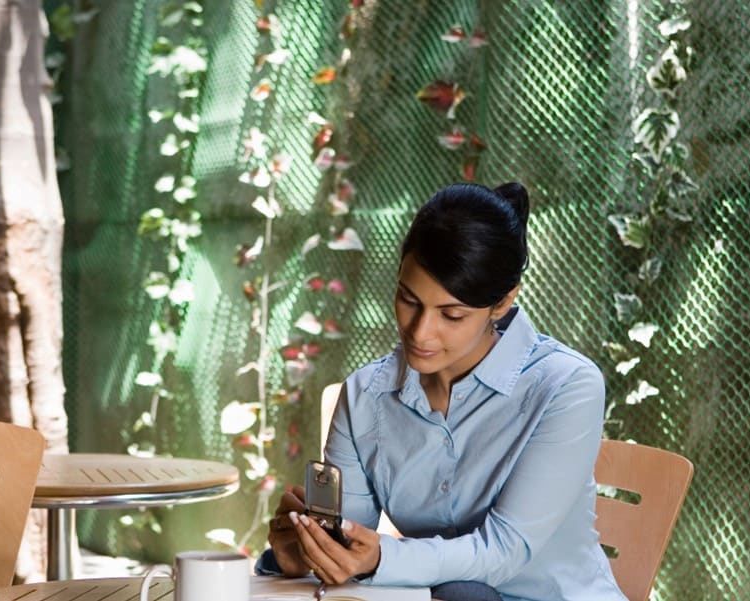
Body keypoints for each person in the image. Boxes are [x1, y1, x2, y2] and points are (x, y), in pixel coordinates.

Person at [258, 182, 627, 601]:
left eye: (451, 315)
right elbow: (351, 544)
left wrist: (381, 559)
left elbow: (504, 552)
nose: (420, 331)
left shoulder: (565, 386)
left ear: (502, 303)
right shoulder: (364, 397)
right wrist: (308, 553)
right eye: (408, 299)